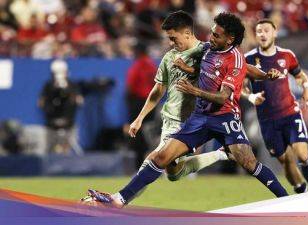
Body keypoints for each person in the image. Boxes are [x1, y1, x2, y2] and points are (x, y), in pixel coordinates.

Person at [83, 12, 287, 207]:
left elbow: (224, 95)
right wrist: (189, 69)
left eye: (216, 35)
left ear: (230, 39)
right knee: (161, 158)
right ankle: (119, 200)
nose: (211, 37)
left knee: (249, 163)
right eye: (212, 32)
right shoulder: (209, 48)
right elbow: (210, 69)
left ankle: (288, 201)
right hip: (199, 117)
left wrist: (194, 90)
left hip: (225, 117)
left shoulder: (234, 58)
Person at [244, 19, 308, 193]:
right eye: (259, 31)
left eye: (266, 30)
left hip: (290, 113)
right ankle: (301, 190)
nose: (263, 34)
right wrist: (251, 96)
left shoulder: (287, 55)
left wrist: (307, 88)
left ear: (275, 33)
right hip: (267, 120)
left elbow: (300, 76)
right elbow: (241, 87)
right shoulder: (248, 59)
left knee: (301, 153)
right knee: (286, 160)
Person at [38, 59, 83, 154]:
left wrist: (69, 94)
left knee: (69, 146)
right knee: (50, 148)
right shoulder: (48, 86)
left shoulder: (72, 85)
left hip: (69, 121)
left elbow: (79, 101)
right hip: (52, 121)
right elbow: (41, 103)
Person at [125, 43, 157, 169]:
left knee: (137, 134)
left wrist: (129, 102)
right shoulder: (152, 65)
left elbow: (130, 86)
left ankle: (139, 165)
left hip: (138, 102)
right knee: (150, 133)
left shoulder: (137, 65)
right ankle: (154, 162)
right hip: (151, 102)